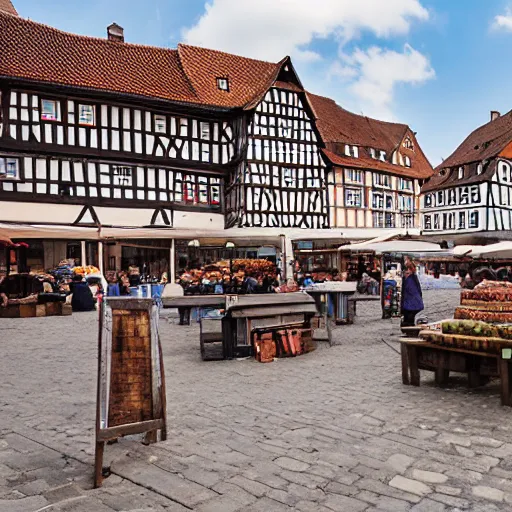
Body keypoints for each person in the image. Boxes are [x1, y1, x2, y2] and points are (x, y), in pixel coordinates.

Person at [401, 259, 424, 327]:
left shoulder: (412, 277)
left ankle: (409, 327)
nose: (406, 272)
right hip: (411, 303)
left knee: (409, 316)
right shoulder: (410, 278)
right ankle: (408, 327)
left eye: (408, 270)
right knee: (408, 317)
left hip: (412, 303)